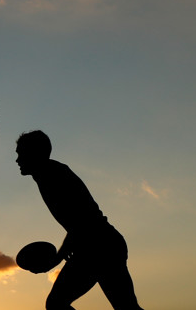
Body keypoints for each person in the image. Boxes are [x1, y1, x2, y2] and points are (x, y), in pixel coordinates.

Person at [16, 130, 143, 310]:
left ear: (34, 153)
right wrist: (66, 249)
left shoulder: (53, 175)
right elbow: (78, 222)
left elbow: (82, 222)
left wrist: (57, 258)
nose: (18, 160)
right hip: (101, 244)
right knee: (126, 307)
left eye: (21, 154)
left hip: (99, 246)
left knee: (56, 304)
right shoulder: (48, 175)